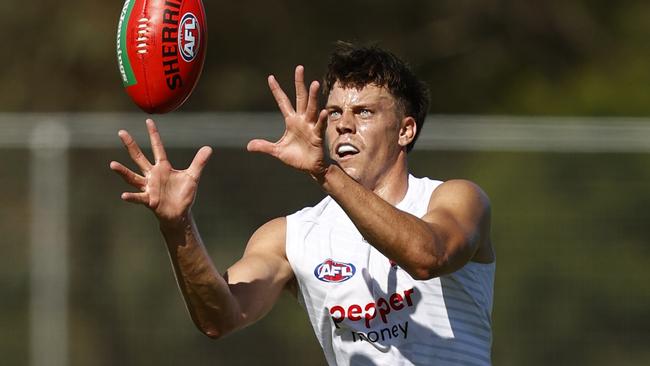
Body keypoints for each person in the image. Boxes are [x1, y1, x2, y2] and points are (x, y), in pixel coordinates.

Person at [110, 43, 495, 366]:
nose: (344, 125)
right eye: (335, 113)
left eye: (364, 112)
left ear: (405, 130)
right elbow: (220, 317)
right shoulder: (292, 236)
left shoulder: (455, 198)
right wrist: (178, 226)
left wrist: (325, 172)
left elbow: (427, 256)